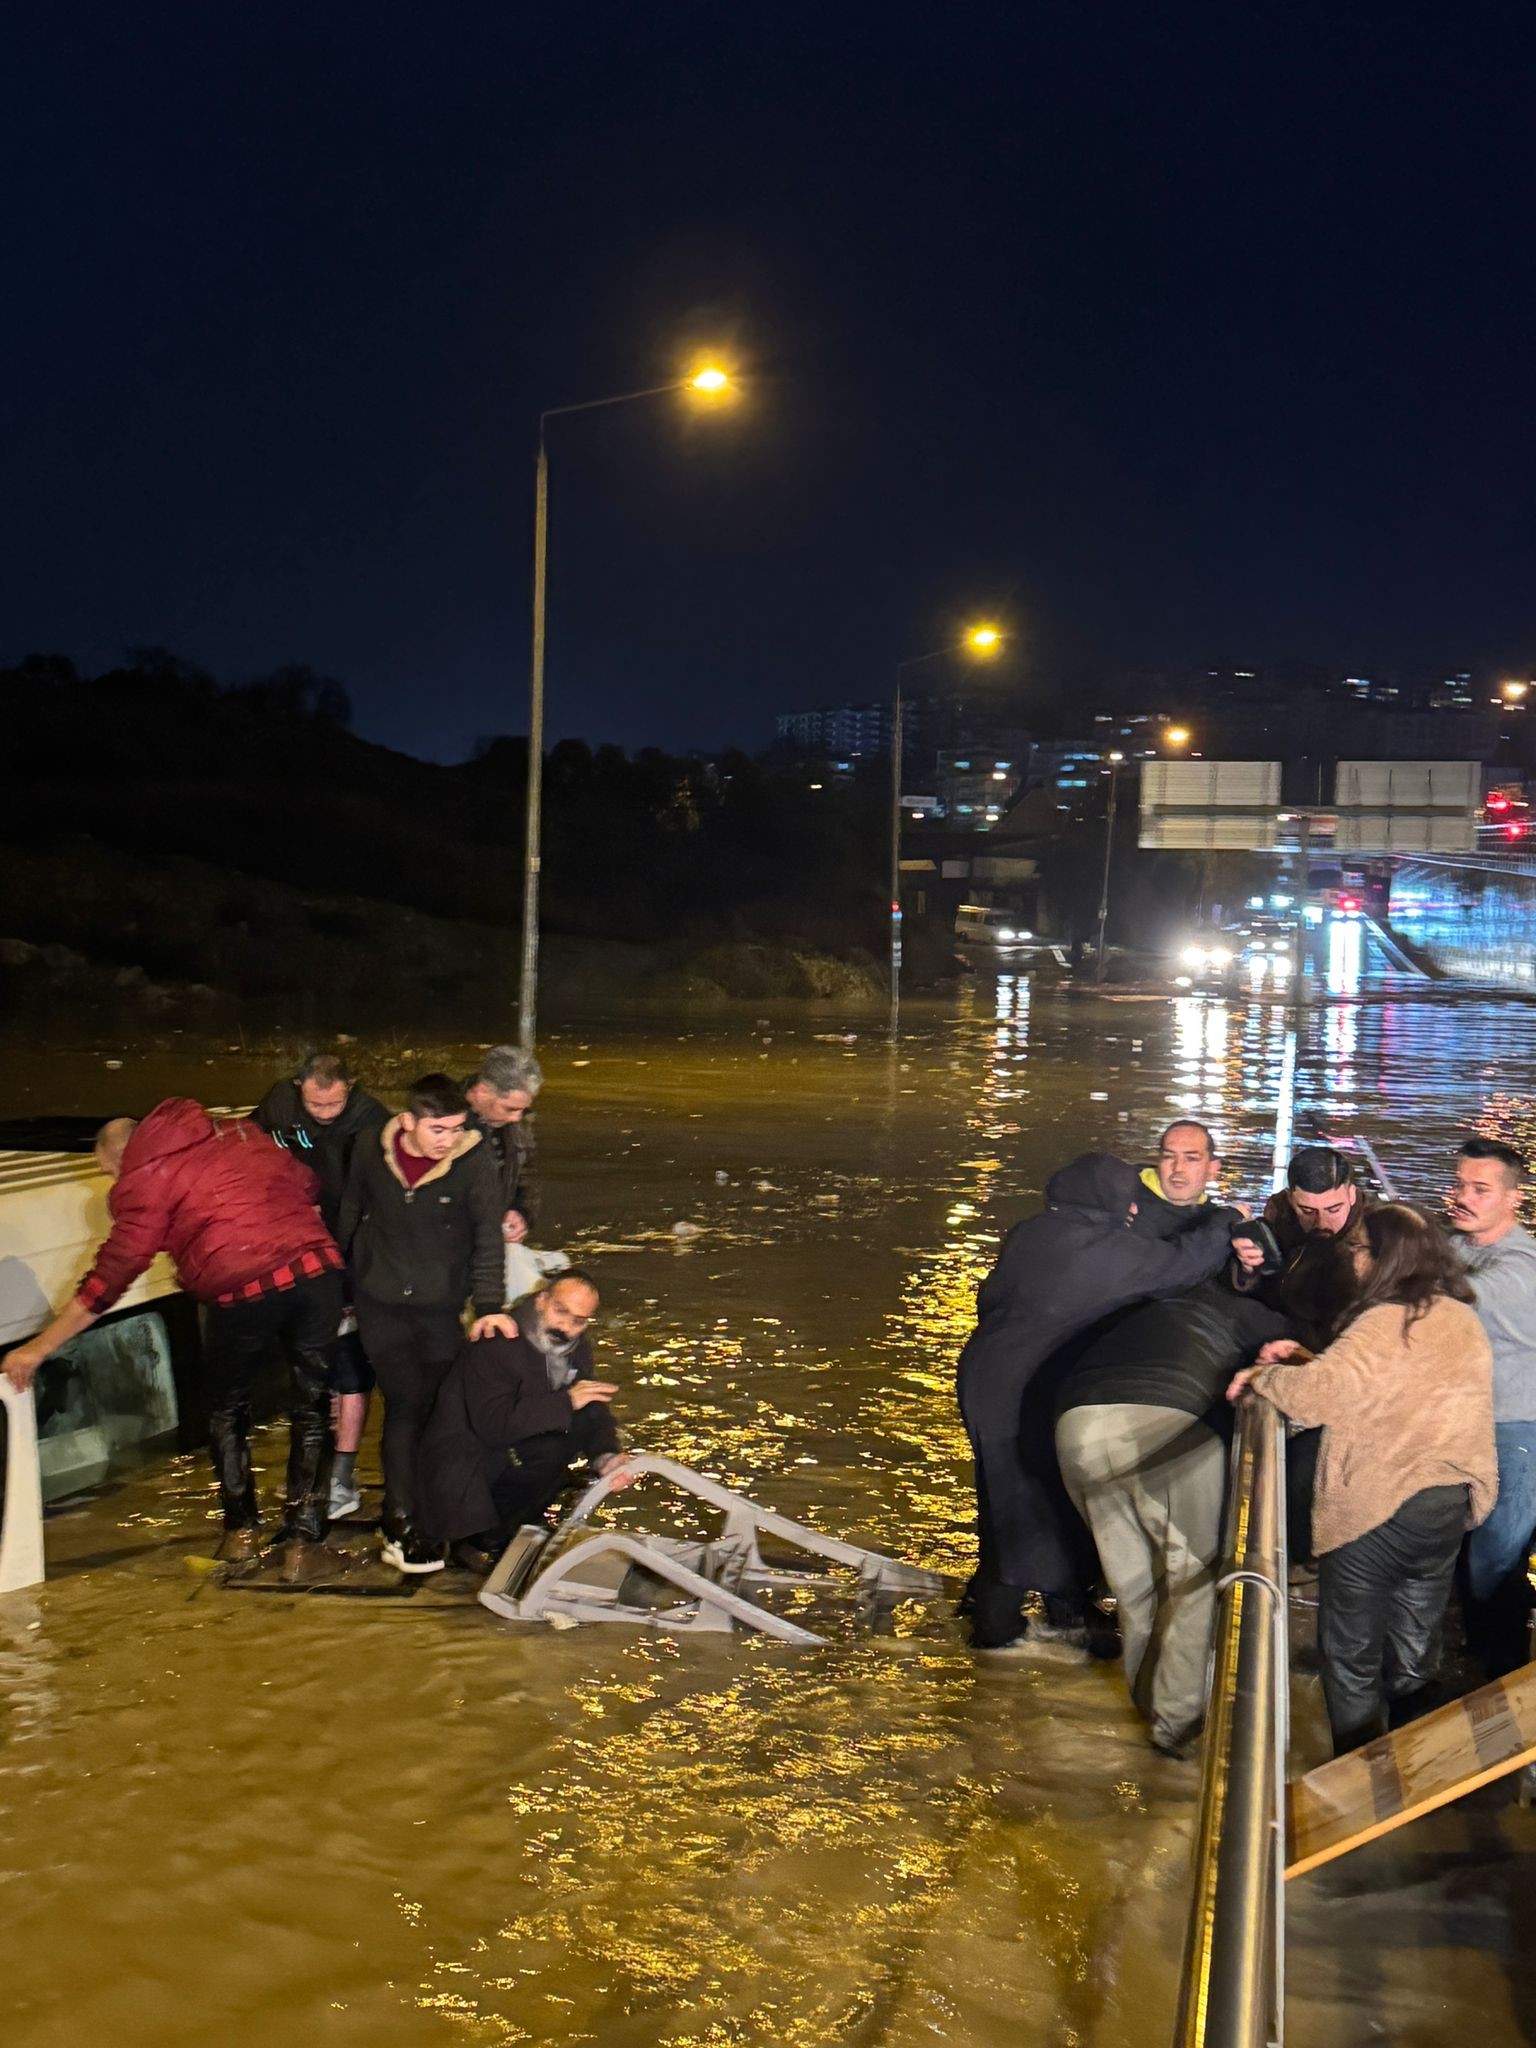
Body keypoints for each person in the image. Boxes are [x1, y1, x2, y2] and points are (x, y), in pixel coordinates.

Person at [2, 1101, 349, 1584]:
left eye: (109, 1172)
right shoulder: (238, 1133)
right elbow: (307, 1184)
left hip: (238, 1291)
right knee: (311, 1406)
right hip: (315, 1275)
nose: (113, 1183)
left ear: (122, 1157)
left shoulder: (143, 1180)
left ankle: (241, 1532)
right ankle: (304, 1546)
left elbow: (109, 1279)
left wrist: (38, 1348)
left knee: (225, 1408)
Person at [1231, 1203, 1496, 1756]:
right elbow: (1393, 1386)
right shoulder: (1460, 1319)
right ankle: (1418, 1759)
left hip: (1378, 1507)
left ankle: (1361, 1772)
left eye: (1358, 1248)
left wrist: (1265, 1377)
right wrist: (1308, 1358)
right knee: (1414, 1650)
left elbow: (1321, 1397)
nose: (1352, 1258)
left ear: (1383, 1257)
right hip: (1442, 1507)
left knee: (1350, 1655)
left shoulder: (1383, 1321)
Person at [956, 1152, 1243, 1654]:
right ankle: (999, 1625)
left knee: (1009, 1491)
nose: (1132, 1210)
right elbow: (1184, 1265)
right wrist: (1227, 1220)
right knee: (1031, 1499)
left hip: (988, 1372)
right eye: (1127, 1200)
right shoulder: (1098, 1249)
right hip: (1023, 1384)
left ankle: (1028, 1602)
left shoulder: (1034, 1233)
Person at [1055, 1280, 1293, 1755]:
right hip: (1170, 1426)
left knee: (1131, 1581)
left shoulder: (1147, 1305)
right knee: (1193, 1579)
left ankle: (1146, 1702)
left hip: (1077, 1425)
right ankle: (1176, 1731)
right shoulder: (1257, 1317)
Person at [338, 1073, 511, 1573]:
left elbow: (488, 1237)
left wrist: (489, 1306)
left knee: (443, 1411)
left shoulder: (474, 1161)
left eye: (456, 1129)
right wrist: (342, 1290)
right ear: (408, 1121)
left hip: (441, 1309)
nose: (447, 1140)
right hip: (381, 1305)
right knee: (404, 1406)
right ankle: (400, 1520)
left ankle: (441, 1517)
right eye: (438, 1129)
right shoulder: (370, 1147)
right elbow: (351, 1210)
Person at [418, 1271, 632, 1572]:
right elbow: (493, 1426)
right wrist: (567, 1401)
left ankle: (518, 1521)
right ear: (541, 1300)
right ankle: (483, 1540)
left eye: (579, 1321)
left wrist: (606, 1456)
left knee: (567, 1433)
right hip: (466, 1462)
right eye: (561, 1312)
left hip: (509, 1446)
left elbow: (591, 1407)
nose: (566, 1327)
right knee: (550, 1447)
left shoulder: (577, 1346)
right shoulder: (497, 1342)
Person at [255, 1052, 388, 1520]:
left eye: (334, 1104)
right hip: (299, 1252)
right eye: (316, 1104)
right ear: (298, 1087)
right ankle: (308, 1472)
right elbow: (249, 1153)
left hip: (353, 1257)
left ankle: (342, 1478)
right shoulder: (278, 1106)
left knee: (350, 1368)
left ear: (350, 1088)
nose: (325, 1113)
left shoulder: (373, 1121)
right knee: (308, 1366)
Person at [1447, 1135, 1536, 1673]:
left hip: (1515, 1432)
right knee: (1470, 1550)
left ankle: (1501, 1677)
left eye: (1480, 1189)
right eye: (1460, 1184)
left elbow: (1457, 1301)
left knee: (1496, 1558)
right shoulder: (1459, 1245)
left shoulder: (1522, 1269)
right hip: (1469, 1425)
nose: (1463, 1197)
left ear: (1513, 1198)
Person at [1235, 1146, 1372, 1341]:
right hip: (1284, 1324)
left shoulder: (1383, 1233)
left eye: (1333, 1209)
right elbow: (1266, 1290)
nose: (1321, 1223)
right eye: (1307, 1211)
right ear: (1290, 1198)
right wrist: (1249, 1269)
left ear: (1352, 1194)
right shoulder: (1280, 1218)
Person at [463, 1047, 542, 1249]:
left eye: (522, 1110)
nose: (516, 1118)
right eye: (509, 1109)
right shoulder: (444, 1123)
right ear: (482, 1092)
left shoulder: (516, 1123)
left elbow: (526, 1176)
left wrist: (520, 1212)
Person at [1133, 1119, 1228, 1239]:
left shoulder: (1217, 1222)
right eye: (1169, 1157)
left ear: (1212, 1169)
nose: (1178, 1168)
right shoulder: (1121, 1195)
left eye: (1191, 1159)